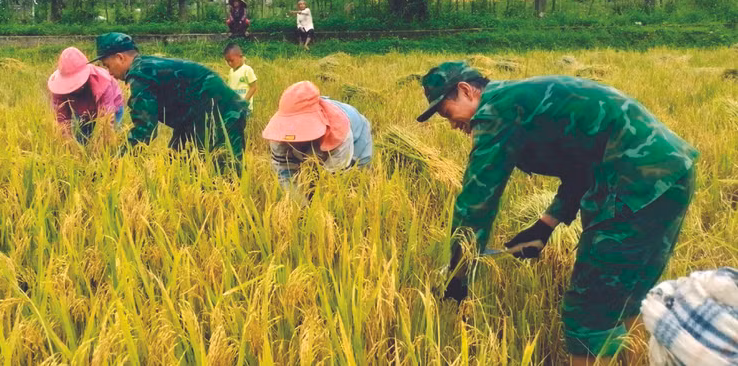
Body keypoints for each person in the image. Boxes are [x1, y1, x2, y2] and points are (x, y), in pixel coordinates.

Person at [416, 61, 697, 365]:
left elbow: (476, 201)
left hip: (634, 182)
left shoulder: (495, 112)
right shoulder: (521, 99)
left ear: (466, 90)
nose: (452, 124)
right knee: (623, 294)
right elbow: (581, 165)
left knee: (588, 310)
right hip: (670, 174)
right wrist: (543, 227)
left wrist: (459, 275)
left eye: (447, 113)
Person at [92, 32, 248, 171]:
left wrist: (113, 163)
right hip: (193, 117)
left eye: (107, 65)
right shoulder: (144, 66)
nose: (109, 73)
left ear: (120, 57)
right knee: (177, 165)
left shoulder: (140, 74)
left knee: (226, 171)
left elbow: (145, 130)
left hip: (222, 112)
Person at [262, 81, 373, 199]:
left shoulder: (339, 133)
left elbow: (333, 180)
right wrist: (300, 206)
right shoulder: (279, 135)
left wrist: (319, 207)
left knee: (356, 180)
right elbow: (283, 173)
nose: (296, 141)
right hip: (323, 139)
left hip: (357, 135)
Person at [48, 47, 124, 144]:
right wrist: (69, 145)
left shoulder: (102, 81)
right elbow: (62, 120)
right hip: (82, 111)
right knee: (82, 140)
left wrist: (101, 147)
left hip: (111, 106)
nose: (74, 88)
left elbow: (107, 121)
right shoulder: (58, 88)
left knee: (111, 140)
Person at [224, 42, 258, 113]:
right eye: (227, 61)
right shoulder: (231, 71)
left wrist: (244, 101)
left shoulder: (247, 70)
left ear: (240, 57)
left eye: (232, 60)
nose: (230, 63)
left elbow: (253, 87)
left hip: (244, 108)